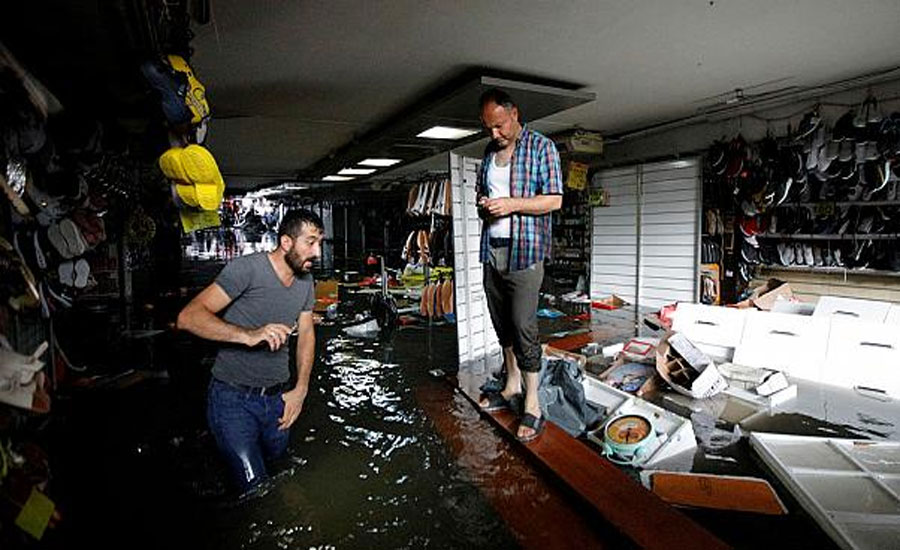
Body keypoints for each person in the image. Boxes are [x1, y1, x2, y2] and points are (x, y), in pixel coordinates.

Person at [176, 209, 324, 491]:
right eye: (311, 242)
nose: (317, 252)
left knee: (278, 473)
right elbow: (189, 317)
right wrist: (248, 335)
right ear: (286, 242)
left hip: (279, 399)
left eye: (320, 243)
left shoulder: (306, 282)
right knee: (255, 487)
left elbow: (306, 334)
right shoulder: (247, 269)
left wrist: (300, 390)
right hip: (233, 399)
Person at [476, 88, 563, 442]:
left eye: (499, 126)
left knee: (524, 326)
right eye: (488, 128)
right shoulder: (488, 152)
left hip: (525, 252)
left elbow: (554, 200)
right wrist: (487, 204)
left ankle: (532, 403)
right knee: (502, 324)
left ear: (514, 114)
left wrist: (511, 204)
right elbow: (490, 196)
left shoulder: (542, 147)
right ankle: (511, 383)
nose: (494, 135)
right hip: (492, 248)